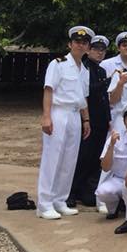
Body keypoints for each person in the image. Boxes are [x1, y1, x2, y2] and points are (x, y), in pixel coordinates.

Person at [37, 26, 92, 220]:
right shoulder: (58, 64)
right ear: (70, 44)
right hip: (58, 112)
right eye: (77, 41)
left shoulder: (84, 70)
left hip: (75, 115)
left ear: (87, 47)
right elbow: (48, 90)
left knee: (69, 160)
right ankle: (44, 203)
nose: (80, 45)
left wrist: (86, 120)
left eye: (84, 43)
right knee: (52, 158)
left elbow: (83, 98)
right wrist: (46, 116)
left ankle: (60, 200)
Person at [70, 34, 112, 207]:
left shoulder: (101, 70)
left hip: (101, 120)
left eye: (102, 50)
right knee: (83, 157)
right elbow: (86, 92)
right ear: (89, 50)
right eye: (96, 49)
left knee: (95, 158)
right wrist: (106, 83)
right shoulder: (84, 68)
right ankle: (71, 191)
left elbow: (105, 98)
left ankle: (86, 190)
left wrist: (108, 119)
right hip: (89, 119)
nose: (99, 53)